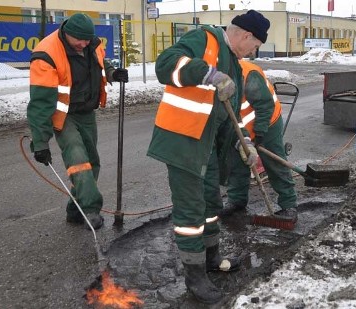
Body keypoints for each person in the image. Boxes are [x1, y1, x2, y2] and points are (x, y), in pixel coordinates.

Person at [146, 10, 269, 304]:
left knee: (211, 202)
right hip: (182, 140)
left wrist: (246, 144)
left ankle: (212, 256)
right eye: (255, 45)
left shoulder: (237, 68)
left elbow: (233, 114)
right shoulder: (204, 40)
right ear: (245, 35)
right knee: (191, 209)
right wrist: (208, 73)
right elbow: (165, 65)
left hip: (207, 144)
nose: (255, 51)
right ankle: (194, 275)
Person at [27, 13, 128, 230]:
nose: (83, 44)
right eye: (78, 41)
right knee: (78, 158)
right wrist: (41, 142)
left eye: (86, 40)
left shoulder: (91, 43)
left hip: (86, 112)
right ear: (67, 34)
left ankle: (75, 209)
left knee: (92, 162)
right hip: (63, 115)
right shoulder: (46, 54)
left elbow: (101, 64)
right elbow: (40, 103)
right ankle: (91, 209)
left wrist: (112, 73)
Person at [220, 59, 298, 221]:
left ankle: (288, 203)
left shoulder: (248, 74)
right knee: (237, 161)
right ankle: (237, 200)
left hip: (267, 123)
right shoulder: (212, 75)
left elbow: (265, 106)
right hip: (239, 129)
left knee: (273, 161)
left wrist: (260, 134)